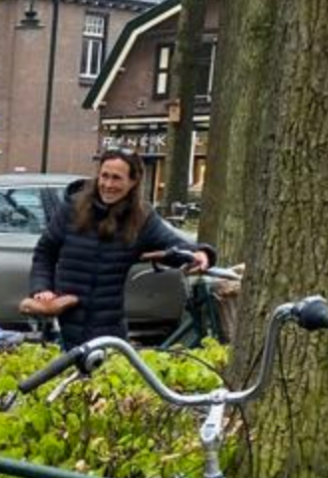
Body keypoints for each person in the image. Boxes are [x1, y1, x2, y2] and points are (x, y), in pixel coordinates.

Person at [29, 148, 214, 348]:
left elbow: (174, 245)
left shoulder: (141, 219)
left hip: (108, 328)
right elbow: (44, 252)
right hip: (64, 323)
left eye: (117, 178)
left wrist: (202, 253)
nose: (108, 184)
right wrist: (42, 289)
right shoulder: (72, 209)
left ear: (133, 182)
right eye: (104, 176)